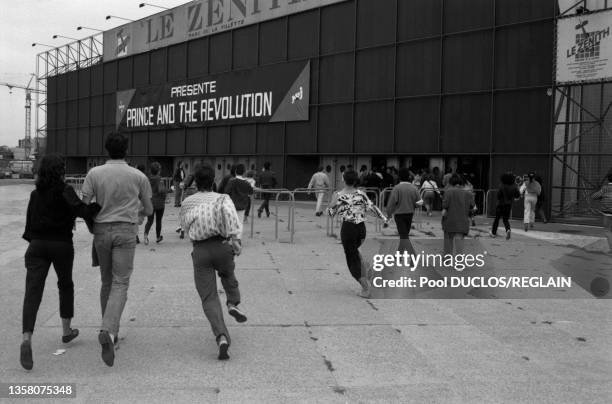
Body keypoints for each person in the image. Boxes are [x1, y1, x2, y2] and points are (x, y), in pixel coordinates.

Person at [20, 154, 101, 370]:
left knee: (32, 293)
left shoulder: (35, 194)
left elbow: (28, 227)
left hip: (36, 246)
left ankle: (26, 338)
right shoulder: (65, 191)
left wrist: (38, 242)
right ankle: (66, 331)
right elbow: (82, 211)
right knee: (65, 285)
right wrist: (96, 207)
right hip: (61, 245)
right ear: (60, 172)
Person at [81, 132, 153, 367]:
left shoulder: (94, 174)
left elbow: (85, 204)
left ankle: (109, 331)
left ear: (106, 150)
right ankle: (109, 331)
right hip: (126, 230)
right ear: (127, 150)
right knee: (121, 282)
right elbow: (150, 209)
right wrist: (139, 214)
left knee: (106, 282)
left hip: (101, 231)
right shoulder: (138, 176)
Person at [179, 164, 247, 360]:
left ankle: (221, 336)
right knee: (228, 275)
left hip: (200, 250)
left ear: (196, 183)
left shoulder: (188, 201)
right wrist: (235, 241)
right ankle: (233, 303)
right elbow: (234, 221)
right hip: (222, 245)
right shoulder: (223, 199)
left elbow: (183, 225)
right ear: (213, 182)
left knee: (208, 297)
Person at [327, 170, 388, 298]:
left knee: (351, 259)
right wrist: (384, 219)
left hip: (348, 229)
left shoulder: (338, 195)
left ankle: (365, 288)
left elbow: (331, 214)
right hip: (361, 230)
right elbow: (372, 208)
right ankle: (367, 270)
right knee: (355, 252)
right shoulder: (362, 194)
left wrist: (332, 202)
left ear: (343, 180)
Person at [385, 168, 422, 253]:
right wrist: (413, 206)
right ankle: (399, 254)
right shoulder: (414, 188)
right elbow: (420, 203)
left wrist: (389, 215)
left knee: (404, 236)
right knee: (404, 235)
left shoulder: (397, 188)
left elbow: (391, 204)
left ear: (399, 177)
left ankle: (412, 254)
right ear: (409, 177)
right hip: (410, 214)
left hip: (399, 215)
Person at [442, 174, 475, 255]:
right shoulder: (468, 194)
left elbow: (445, 206)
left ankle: (447, 258)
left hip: (449, 221)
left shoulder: (448, 192)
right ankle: (459, 261)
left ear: (451, 183)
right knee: (459, 244)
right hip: (462, 222)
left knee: (448, 242)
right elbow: (473, 207)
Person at [224, 164, 253, 235]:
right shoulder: (247, 183)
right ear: (244, 172)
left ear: (235, 172)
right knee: (240, 222)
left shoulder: (232, 181)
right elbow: (251, 192)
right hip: (242, 205)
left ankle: (230, 239)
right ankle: (238, 239)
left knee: (230, 222)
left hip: (232, 205)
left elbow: (226, 192)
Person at [490, 172, 520, 240]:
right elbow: (517, 195)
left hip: (500, 204)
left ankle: (493, 233)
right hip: (508, 205)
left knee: (497, 219)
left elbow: (498, 195)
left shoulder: (502, 186)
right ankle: (508, 230)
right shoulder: (514, 186)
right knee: (505, 219)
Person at [144, 162, 167, 244]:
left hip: (150, 202)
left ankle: (146, 236)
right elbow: (162, 191)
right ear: (158, 171)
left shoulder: (147, 179)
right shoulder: (159, 179)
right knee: (158, 220)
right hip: (159, 203)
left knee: (149, 221)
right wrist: (165, 197)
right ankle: (157, 237)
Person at [591, 171, 612, 252]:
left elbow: (594, 196)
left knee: (607, 230)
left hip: (607, 213)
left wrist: (601, 197)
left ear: (608, 179)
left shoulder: (605, 188)